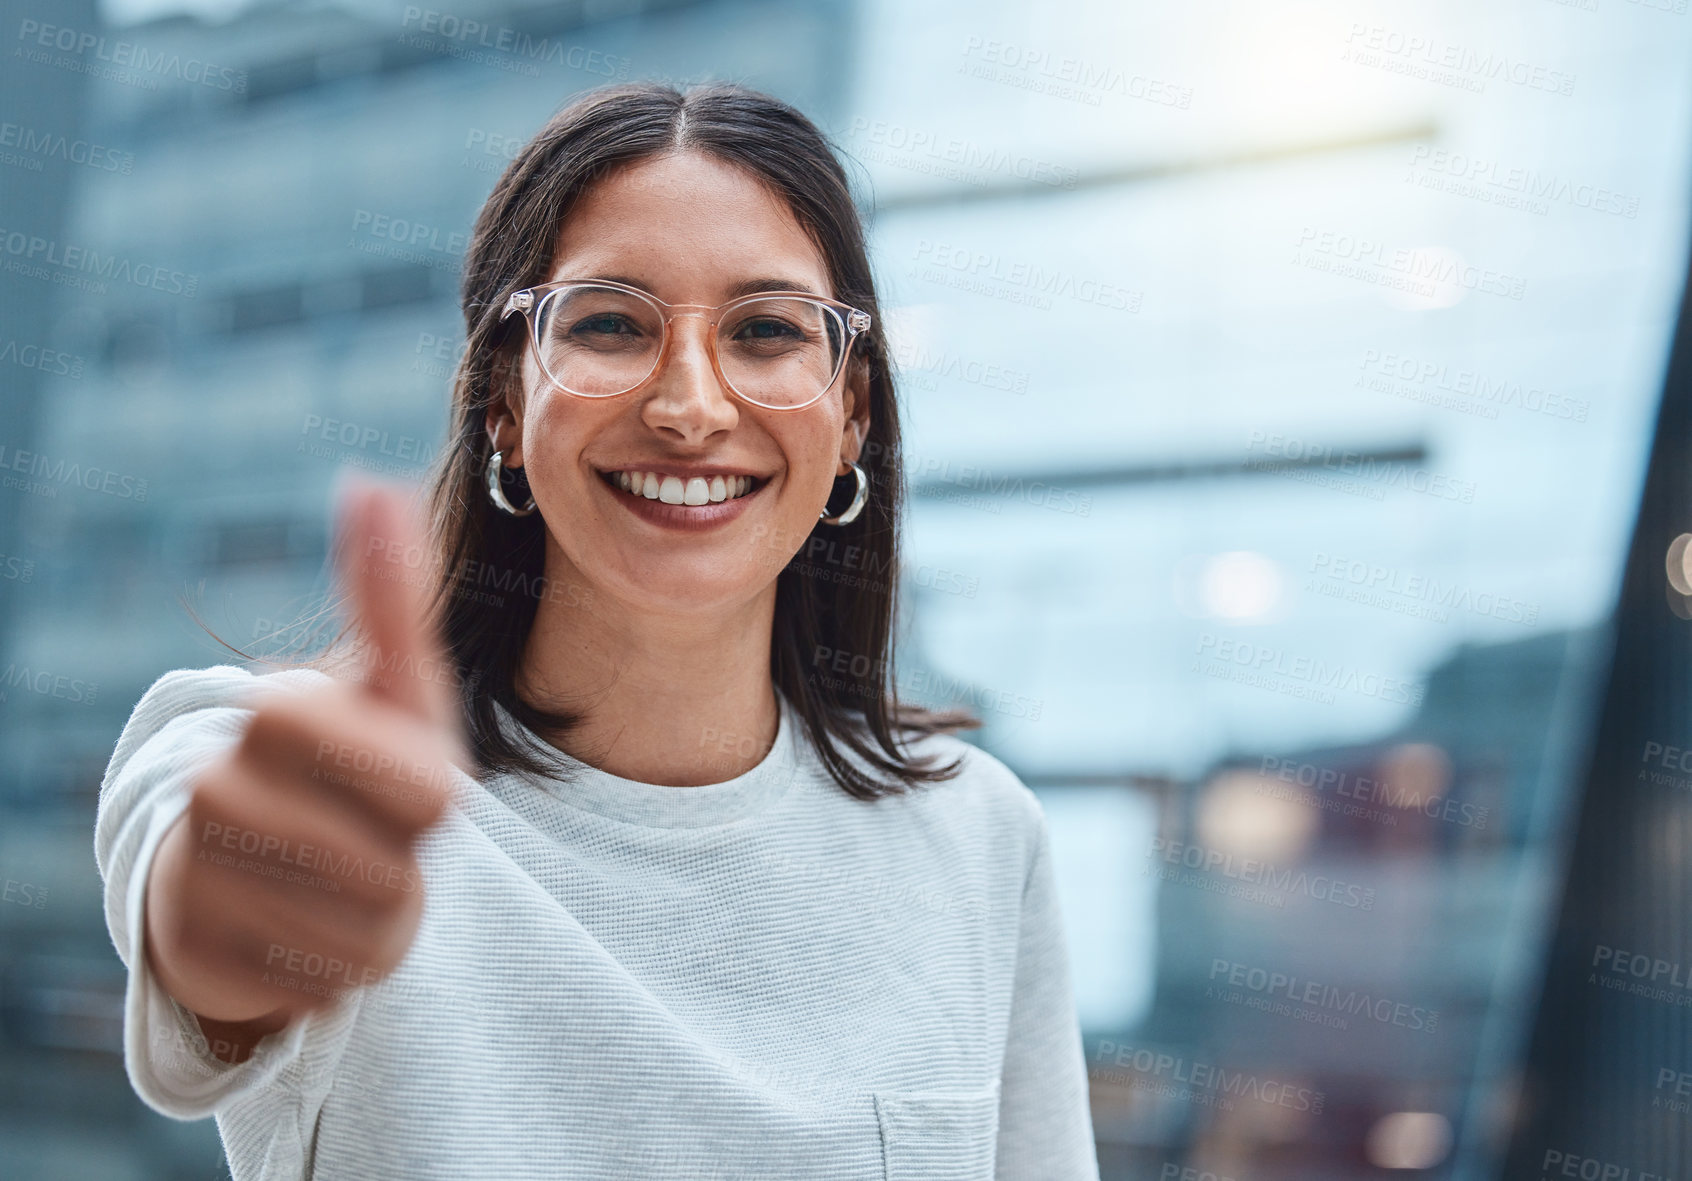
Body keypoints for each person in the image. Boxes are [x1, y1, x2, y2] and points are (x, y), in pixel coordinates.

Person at [94, 79, 1098, 1180]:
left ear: (850, 410)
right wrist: (241, 926)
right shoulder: (303, 760)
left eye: (765, 331)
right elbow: (205, 921)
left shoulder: (979, 837)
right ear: (505, 404)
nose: (691, 406)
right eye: (612, 322)